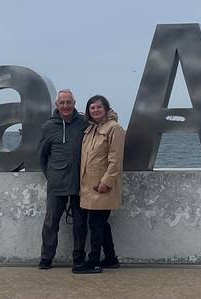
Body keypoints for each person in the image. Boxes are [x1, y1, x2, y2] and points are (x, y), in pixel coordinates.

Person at [73, 95, 125, 274]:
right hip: (88, 187)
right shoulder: (90, 130)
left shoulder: (114, 128)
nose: (95, 110)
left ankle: (93, 261)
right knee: (101, 224)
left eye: (98, 107)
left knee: (96, 223)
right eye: (92, 108)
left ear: (106, 108)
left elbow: (115, 159)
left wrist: (107, 182)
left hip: (103, 187)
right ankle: (111, 258)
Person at [38, 89, 88, 270]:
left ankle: (79, 256)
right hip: (56, 183)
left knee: (80, 222)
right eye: (62, 103)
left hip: (80, 182)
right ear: (57, 105)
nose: (65, 106)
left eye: (69, 102)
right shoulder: (48, 127)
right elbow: (42, 158)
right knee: (51, 222)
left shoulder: (84, 122)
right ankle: (46, 257)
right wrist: (51, 176)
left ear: (74, 104)